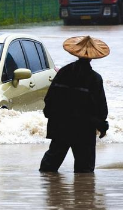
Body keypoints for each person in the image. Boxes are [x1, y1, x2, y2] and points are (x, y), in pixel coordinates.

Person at [39, 36, 109, 173]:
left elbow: (50, 99)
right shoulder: (94, 78)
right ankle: (83, 192)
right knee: (84, 169)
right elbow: (100, 108)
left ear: (76, 53)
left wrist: (52, 118)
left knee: (50, 165)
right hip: (84, 130)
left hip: (60, 126)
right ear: (92, 57)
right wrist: (102, 126)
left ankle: (48, 188)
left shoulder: (63, 72)